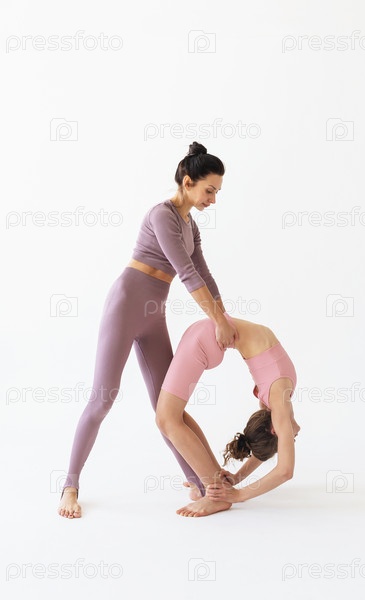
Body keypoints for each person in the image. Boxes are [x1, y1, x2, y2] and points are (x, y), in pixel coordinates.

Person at [58, 142, 238, 519]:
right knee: (103, 398)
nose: (213, 199)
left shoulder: (191, 226)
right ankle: (69, 486)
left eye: (217, 192)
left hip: (154, 314)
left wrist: (224, 316)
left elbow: (204, 274)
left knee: (168, 406)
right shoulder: (162, 215)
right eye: (209, 190)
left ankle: (201, 482)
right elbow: (186, 274)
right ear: (187, 182)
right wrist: (218, 322)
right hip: (126, 305)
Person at [156, 312, 300, 517]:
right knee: (167, 419)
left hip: (205, 333)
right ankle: (215, 491)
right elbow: (285, 471)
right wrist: (237, 495)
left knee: (171, 417)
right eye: (290, 438)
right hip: (207, 336)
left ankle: (212, 484)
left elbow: (265, 448)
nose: (294, 436)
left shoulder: (274, 402)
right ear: (276, 429)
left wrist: (236, 479)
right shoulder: (278, 402)